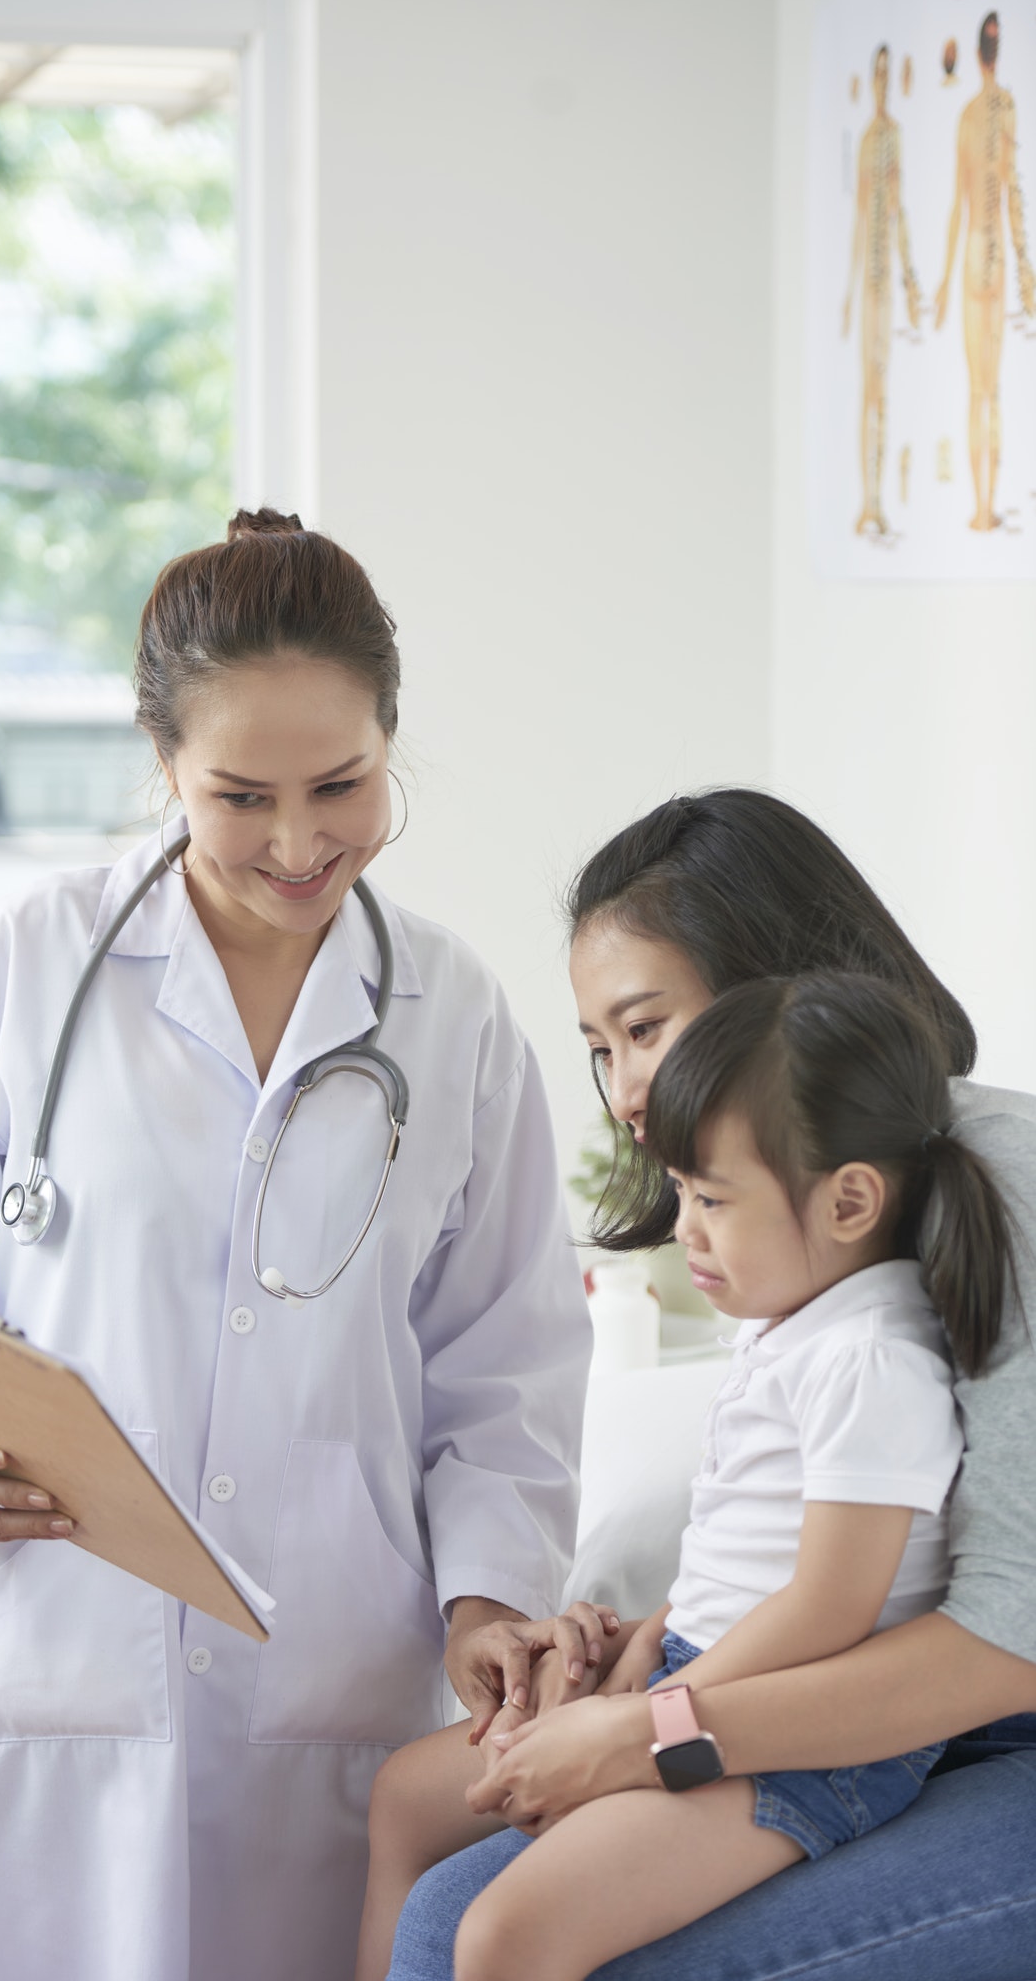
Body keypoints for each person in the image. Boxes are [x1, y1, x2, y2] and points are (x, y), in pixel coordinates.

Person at [0, 509, 597, 1981]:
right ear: (162, 768)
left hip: (337, 1663)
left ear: (390, 745)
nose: (300, 843)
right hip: (69, 1647)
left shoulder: (452, 1013)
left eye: (342, 785)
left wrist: (490, 1591)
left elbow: (504, 1359)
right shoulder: (24, 970)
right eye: (240, 795)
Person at [389, 789, 1036, 1980]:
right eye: (602, 1050)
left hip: (988, 1730)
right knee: (442, 1906)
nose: (626, 1093)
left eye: (647, 1028)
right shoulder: (798, 1274)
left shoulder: (1002, 1184)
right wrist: (647, 1652)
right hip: (883, 1718)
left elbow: (1001, 1642)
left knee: (544, 1943)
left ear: (785, 995)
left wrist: (649, 1728)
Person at [933, 12, 1036, 533]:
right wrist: (1023, 262)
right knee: (991, 389)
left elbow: (960, 204)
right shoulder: (1003, 109)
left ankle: (982, 507)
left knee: (980, 390)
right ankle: (986, 504)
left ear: (976, 56)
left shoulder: (972, 115)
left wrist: (948, 278)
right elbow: (1011, 195)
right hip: (992, 252)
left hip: (977, 251)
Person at [842, 44, 921, 536]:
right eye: (878, 74)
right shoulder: (869, 139)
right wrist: (850, 292)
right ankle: (867, 500)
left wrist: (910, 278)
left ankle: (878, 500)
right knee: (866, 392)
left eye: (888, 76)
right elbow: (860, 217)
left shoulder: (893, 135)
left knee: (882, 393)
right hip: (869, 286)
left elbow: (898, 209)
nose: (882, 83)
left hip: (886, 281)